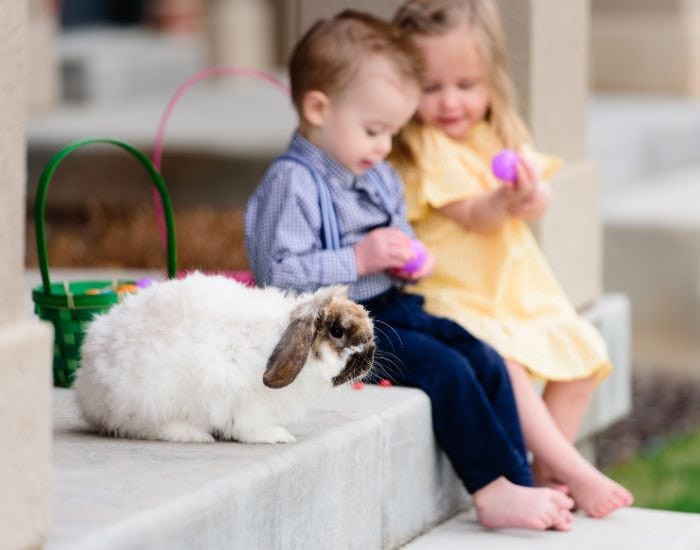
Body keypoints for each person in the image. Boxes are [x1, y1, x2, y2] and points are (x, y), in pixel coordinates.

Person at [245, 9, 575, 531]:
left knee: (481, 356)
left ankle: (517, 481)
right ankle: (490, 493)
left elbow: (395, 241)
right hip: (331, 330)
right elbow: (277, 274)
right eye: (375, 130)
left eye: (392, 133)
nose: (384, 146)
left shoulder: (374, 174)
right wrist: (360, 258)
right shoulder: (294, 183)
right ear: (316, 107)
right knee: (445, 370)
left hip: (391, 306)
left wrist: (410, 258)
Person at [390, 0, 633, 518]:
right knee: (510, 363)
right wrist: (503, 202)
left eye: (466, 85)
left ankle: (550, 471)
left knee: (582, 360)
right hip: (455, 291)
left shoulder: (497, 131)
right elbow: (473, 211)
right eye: (431, 88)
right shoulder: (422, 145)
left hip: (513, 286)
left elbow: (538, 195)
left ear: (490, 78)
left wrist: (529, 194)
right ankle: (570, 468)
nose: (450, 102)